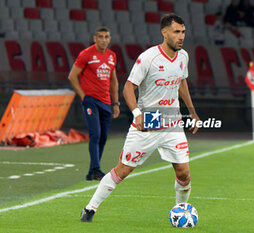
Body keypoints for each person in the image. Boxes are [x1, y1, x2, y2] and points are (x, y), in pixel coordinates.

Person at [80, 13, 200, 222]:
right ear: (164, 32)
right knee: (123, 170)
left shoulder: (183, 57)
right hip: (149, 119)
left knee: (183, 172)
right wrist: (137, 114)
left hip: (172, 120)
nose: (181, 37)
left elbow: (181, 82)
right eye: (176, 32)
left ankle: (181, 211)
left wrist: (192, 111)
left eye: (183, 32)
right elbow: (128, 87)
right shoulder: (148, 58)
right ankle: (90, 208)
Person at [68, 26, 120, 181]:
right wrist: (83, 96)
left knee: (103, 136)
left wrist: (116, 102)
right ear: (95, 38)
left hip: (106, 101)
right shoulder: (86, 54)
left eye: (106, 37)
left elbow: (114, 80)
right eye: (100, 37)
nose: (103, 40)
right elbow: (72, 76)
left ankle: (92, 171)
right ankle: (96, 169)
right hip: (91, 100)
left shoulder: (112, 56)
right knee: (95, 134)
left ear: (109, 39)